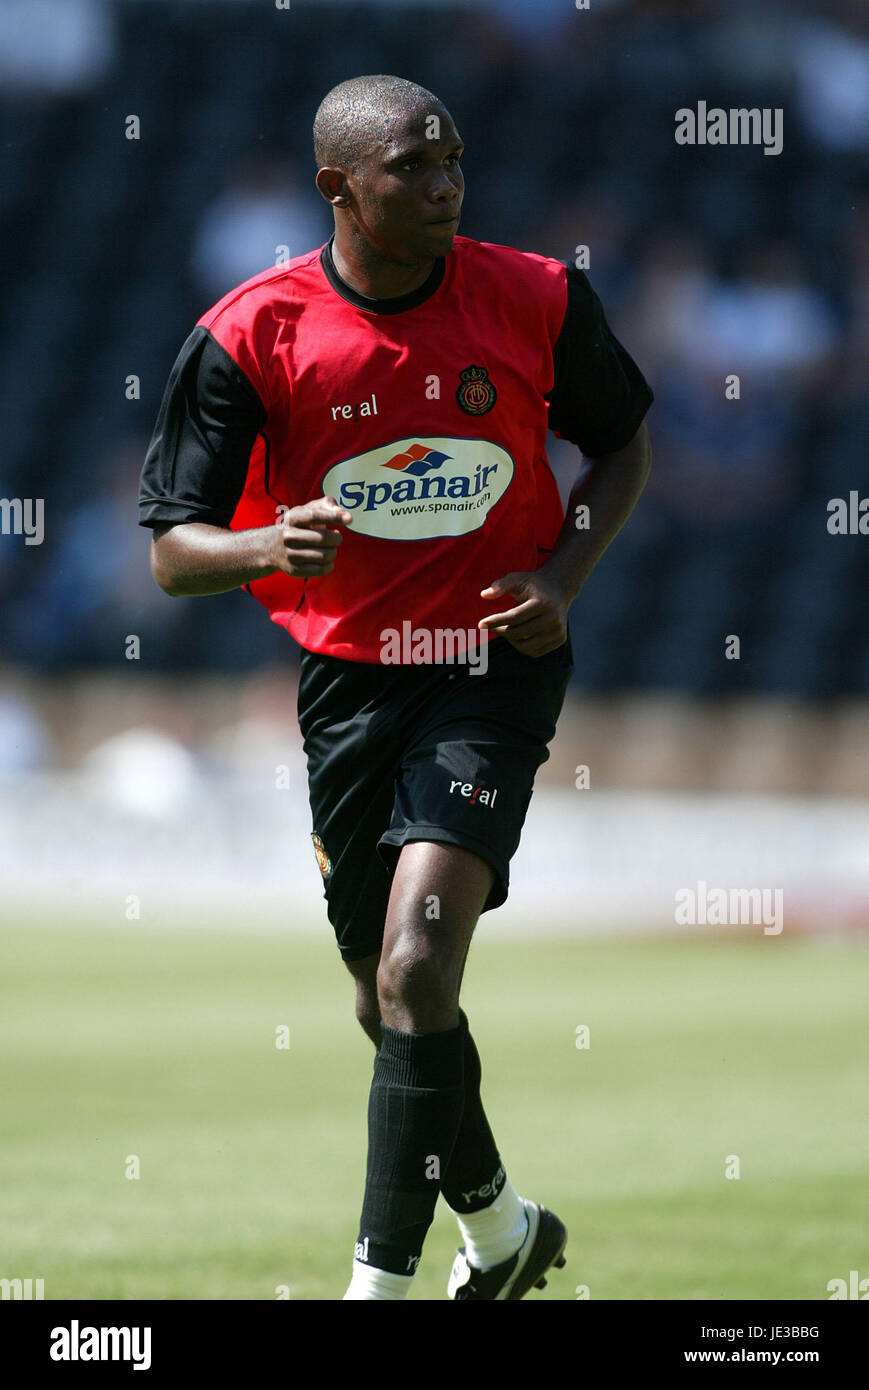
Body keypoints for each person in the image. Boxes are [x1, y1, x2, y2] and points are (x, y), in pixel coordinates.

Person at [138, 74, 653, 1301]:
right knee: (388, 1004)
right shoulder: (249, 335)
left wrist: (564, 575)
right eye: (411, 169)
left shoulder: (533, 295)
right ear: (338, 188)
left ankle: (374, 1289)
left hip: (492, 665)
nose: (442, 186)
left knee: (417, 968)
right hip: (351, 687)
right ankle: (501, 1229)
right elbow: (170, 549)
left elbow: (621, 439)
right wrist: (267, 546)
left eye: (452, 163)